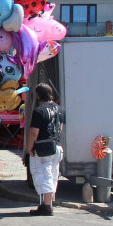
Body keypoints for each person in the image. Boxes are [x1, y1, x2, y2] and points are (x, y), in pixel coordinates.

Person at [26, 82, 64, 216]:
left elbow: (34, 133)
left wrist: (29, 148)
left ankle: (47, 207)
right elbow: (60, 128)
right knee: (53, 175)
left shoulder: (39, 110)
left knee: (43, 175)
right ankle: (47, 204)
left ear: (38, 95)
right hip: (57, 146)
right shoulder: (60, 109)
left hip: (43, 148)